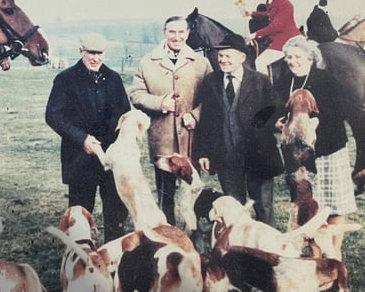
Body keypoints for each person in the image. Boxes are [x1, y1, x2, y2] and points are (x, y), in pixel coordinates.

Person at [275, 35, 356, 260]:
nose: (293, 61)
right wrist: (279, 121)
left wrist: (316, 123)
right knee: (309, 206)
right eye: (289, 57)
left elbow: (339, 113)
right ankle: (315, 254)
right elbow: (274, 109)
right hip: (299, 157)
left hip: (328, 152)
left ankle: (335, 252)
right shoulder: (284, 81)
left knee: (335, 205)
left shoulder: (326, 80)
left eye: (298, 57)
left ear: (310, 58)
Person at [45, 32, 130, 242]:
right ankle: (80, 263)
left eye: (99, 53)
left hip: (110, 159)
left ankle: (113, 262)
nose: (95, 58)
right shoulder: (65, 79)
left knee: (115, 213)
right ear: (80, 51)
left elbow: (123, 114)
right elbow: (53, 115)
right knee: (80, 217)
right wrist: (81, 138)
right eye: (91, 53)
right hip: (79, 158)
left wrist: (117, 145)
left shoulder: (113, 79)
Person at [129, 16, 212, 225]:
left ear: (188, 33)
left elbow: (212, 98)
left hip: (191, 140)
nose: (177, 37)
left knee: (192, 192)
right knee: (165, 196)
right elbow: (136, 94)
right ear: (164, 32)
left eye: (181, 32)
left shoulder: (201, 63)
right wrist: (160, 103)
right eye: (172, 32)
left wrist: (195, 115)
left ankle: (193, 239)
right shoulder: (147, 62)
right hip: (162, 141)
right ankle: (169, 237)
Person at [194, 34, 283, 227]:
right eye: (220, 56)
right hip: (226, 158)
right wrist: (204, 153)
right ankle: (239, 251)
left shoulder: (260, 81)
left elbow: (276, 107)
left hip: (258, 158)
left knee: (263, 209)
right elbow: (206, 121)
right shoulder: (211, 82)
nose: (223, 60)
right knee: (233, 211)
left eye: (228, 56)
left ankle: (267, 252)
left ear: (242, 57)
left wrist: (259, 123)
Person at [244, 0, 300, 75]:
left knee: (260, 62)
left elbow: (275, 26)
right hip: (278, 37)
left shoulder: (286, 5)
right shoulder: (273, 1)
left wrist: (254, 34)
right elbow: (269, 14)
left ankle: (266, 90)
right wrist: (252, 13)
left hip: (286, 39)